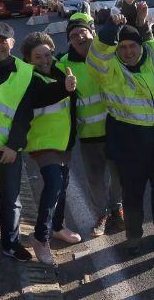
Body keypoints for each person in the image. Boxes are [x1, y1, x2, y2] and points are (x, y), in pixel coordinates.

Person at [0, 22, 74, 275]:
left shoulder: (24, 72)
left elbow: (26, 111)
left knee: (12, 202)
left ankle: (10, 244)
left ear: (12, 44)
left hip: (7, 150)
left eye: (3, 41)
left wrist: (14, 145)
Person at [86, 0, 154, 256]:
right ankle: (134, 235)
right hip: (130, 140)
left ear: (140, 45)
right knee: (133, 193)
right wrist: (116, 23)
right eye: (123, 47)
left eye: (132, 46)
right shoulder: (109, 69)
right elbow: (98, 54)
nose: (128, 51)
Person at [60, 13, 125, 238]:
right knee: (95, 178)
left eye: (82, 32)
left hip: (115, 130)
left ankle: (117, 209)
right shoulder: (64, 64)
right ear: (69, 40)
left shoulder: (106, 55)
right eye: (73, 35)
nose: (79, 37)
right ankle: (102, 215)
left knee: (118, 175)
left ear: (92, 33)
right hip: (88, 135)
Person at [19, 31, 81, 265]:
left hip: (63, 141)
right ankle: (40, 237)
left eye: (47, 55)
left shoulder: (60, 70)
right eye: (38, 57)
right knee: (54, 183)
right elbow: (39, 96)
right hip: (41, 142)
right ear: (28, 59)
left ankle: (57, 226)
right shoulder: (26, 77)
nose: (44, 60)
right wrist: (64, 88)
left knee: (62, 186)